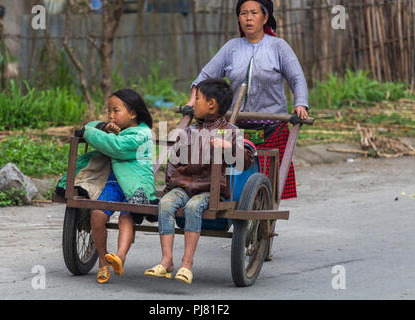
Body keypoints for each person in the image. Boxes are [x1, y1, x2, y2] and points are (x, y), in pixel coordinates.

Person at [185, 0, 309, 200]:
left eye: (253, 13)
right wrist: (192, 101)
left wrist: (300, 104)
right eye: (243, 13)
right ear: (238, 18)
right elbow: (206, 74)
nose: (248, 18)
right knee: (233, 182)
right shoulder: (232, 47)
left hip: (272, 127)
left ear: (265, 17)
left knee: (270, 184)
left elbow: (296, 78)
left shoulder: (279, 47)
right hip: (237, 127)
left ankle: (266, 222)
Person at [144, 78, 254, 284]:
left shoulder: (230, 132)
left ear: (211, 104)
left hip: (209, 189)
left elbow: (246, 161)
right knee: (166, 204)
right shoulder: (188, 132)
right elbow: (173, 162)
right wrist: (169, 187)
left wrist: (227, 147)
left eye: (197, 100)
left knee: (194, 207)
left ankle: (187, 263)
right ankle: (167, 260)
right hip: (182, 186)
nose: (192, 104)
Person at [70, 89, 157, 284]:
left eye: (115, 111)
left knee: (127, 215)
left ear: (133, 113)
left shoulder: (142, 134)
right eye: (108, 111)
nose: (110, 116)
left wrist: (93, 133)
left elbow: (116, 147)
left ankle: (119, 257)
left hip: (135, 186)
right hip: (113, 182)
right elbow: (90, 127)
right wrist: (103, 127)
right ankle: (102, 259)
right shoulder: (116, 129)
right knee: (97, 215)